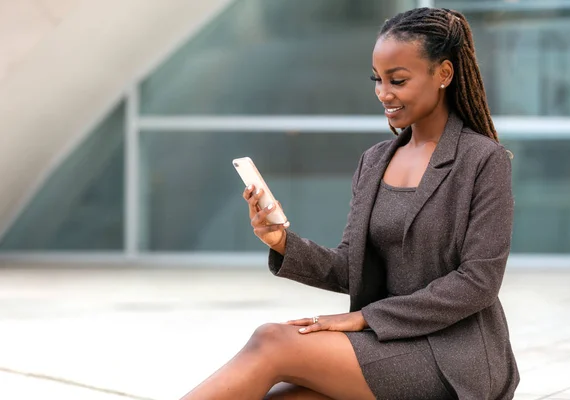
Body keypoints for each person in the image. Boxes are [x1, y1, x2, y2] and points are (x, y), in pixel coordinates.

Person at [181, 7, 519, 400]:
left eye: (398, 80)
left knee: (272, 340)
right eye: (378, 79)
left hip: (452, 354)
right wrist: (281, 242)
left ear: (443, 74)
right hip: (384, 343)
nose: (383, 93)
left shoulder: (483, 160)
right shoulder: (375, 161)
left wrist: (363, 318)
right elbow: (350, 268)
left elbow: (478, 282)